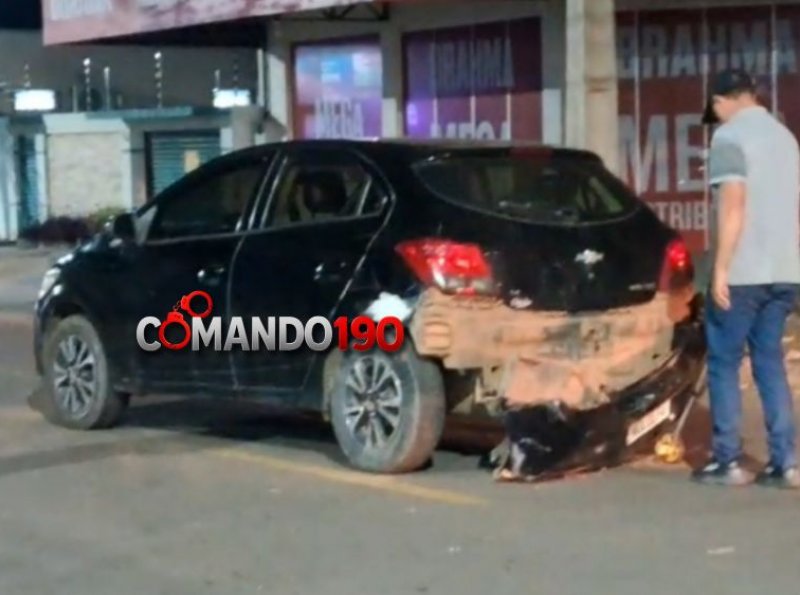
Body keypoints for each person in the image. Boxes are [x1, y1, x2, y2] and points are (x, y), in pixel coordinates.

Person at [692, 69, 800, 489]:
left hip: (745, 272)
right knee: (770, 361)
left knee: (723, 362)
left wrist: (720, 268)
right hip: (786, 270)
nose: (716, 118)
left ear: (721, 101)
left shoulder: (729, 138)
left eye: (715, 110)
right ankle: (786, 463)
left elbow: (733, 205)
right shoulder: (786, 139)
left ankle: (728, 460)